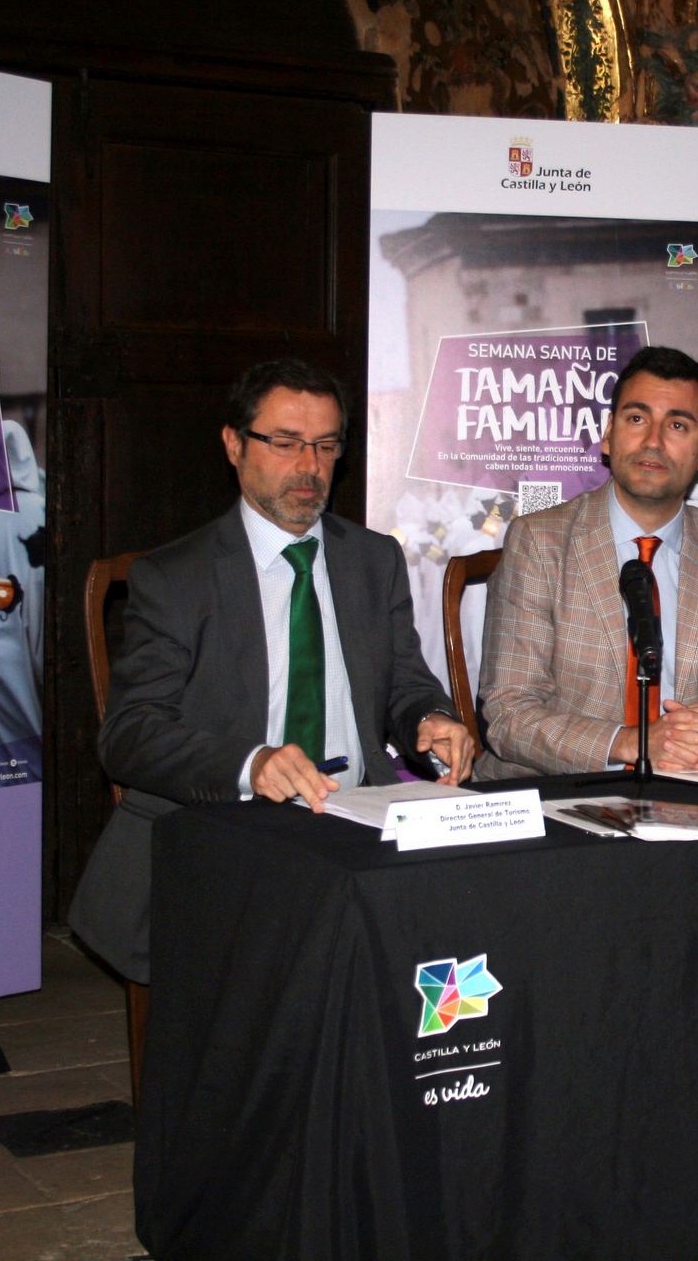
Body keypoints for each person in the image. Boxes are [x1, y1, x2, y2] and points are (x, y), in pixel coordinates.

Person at [69, 358, 474, 984]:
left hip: (355, 820)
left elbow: (404, 682)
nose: (309, 467)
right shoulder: (177, 577)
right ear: (234, 445)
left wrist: (432, 717)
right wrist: (250, 763)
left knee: (463, 930)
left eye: (326, 446)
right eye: (285, 443)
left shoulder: (372, 559)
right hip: (231, 831)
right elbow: (130, 734)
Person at [476, 346, 698, 780]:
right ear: (608, 436)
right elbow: (509, 714)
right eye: (637, 419)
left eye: (677, 425)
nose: (653, 441)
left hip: (689, 786)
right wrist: (636, 744)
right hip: (554, 793)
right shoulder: (540, 542)